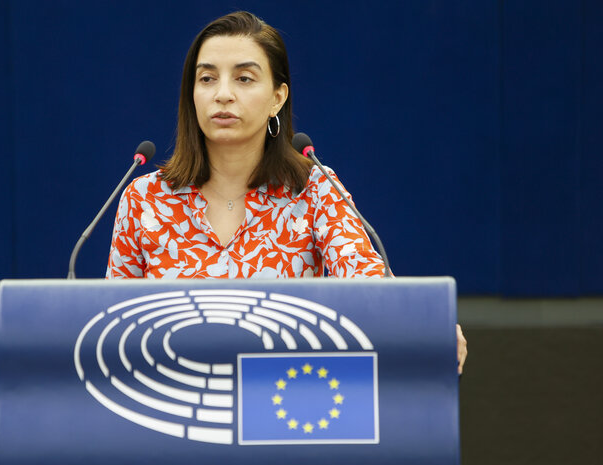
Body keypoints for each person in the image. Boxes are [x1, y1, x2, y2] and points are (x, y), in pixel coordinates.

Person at [105, 11, 467, 373]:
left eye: (244, 78)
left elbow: (365, 277)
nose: (223, 94)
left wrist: (423, 322)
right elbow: (109, 321)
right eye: (207, 78)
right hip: (169, 404)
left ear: (278, 98)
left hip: (281, 406)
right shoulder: (146, 198)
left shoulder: (314, 189)